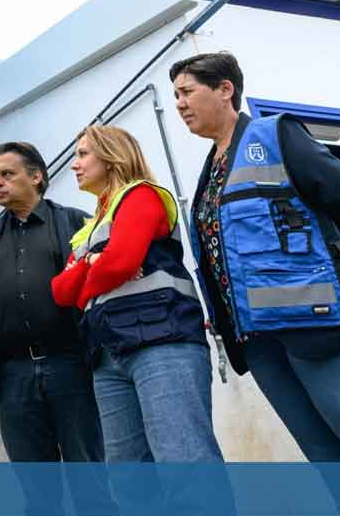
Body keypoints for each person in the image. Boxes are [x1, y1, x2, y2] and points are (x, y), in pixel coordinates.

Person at [173, 51, 340, 463]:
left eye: (186, 91)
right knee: (329, 463)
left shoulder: (276, 137)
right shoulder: (211, 168)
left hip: (327, 324)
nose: (179, 103)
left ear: (224, 90)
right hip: (262, 341)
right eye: (175, 95)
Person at [51, 125, 223, 463]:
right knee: (128, 480)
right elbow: (60, 292)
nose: (74, 164)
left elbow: (119, 262)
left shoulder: (141, 196)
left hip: (162, 343)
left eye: (83, 154)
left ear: (113, 157)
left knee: (184, 462)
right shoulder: (89, 228)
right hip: (107, 353)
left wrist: (89, 270)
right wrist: (93, 261)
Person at [0, 141, 104, 464]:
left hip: (71, 367)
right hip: (13, 377)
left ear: (36, 177)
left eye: (7, 174)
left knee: (90, 475)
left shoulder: (76, 224)